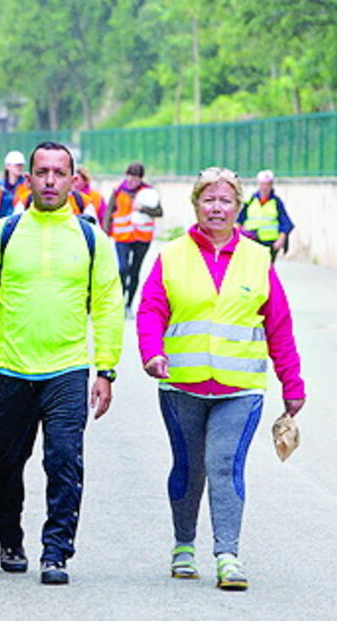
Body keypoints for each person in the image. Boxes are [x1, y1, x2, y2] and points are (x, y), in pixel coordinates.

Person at [0, 142, 123, 585]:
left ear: (72, 179)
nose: (50, 180)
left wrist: (105, 368)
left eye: (59, 173)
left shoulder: (91, 239)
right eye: (42, 172)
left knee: (65, 461)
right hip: (9, 368)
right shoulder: (4, 233)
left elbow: (107, 305)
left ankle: (56, 552)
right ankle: (9, 535)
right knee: (5, 464)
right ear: (28, 177)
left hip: (67, 369)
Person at [137, 166, 306, 591]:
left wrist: (293, 385)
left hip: (240, 389)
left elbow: (278, 325)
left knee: (224, 466)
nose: (217, 207)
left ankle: (228, 554)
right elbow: (151, 310)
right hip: (182, 386)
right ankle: (183, 546)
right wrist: (152, 353)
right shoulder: (172, 255)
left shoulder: (257, 257)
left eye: (226, 200)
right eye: (209, 199)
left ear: (238, 207)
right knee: (190, 468)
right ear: (195, 204)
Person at [103, 162, 163, 316]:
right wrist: (105, 232)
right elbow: (109, 212)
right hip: (122, 236)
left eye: (135, 177)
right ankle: (120, 300)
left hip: (142, 237)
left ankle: (129, 304)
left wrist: (143, 209)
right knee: (123, 269)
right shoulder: (118, 191)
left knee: (135, 270)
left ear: (141, 178)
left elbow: (159, 212)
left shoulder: (148, 192)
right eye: (130, 176)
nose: (132, 180)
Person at [237, 169, 295, 262]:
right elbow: (239, 220)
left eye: (268, 184)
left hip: (269, 243)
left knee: (266, 271)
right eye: (263, 184)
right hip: (251, 241)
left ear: (272, 185)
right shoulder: (251, 200)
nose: (265, 187)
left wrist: (280, 241)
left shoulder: (276, 202)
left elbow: (286, 223)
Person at [0, 150, 28, 220]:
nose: (19, 168)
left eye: (21, 165)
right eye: (16, 165)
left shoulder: (27, 186)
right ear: (7, 166)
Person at [74, 165, 108, 230]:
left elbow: (103, 217)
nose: (73, 182)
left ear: (85, 180)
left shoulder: (96, 196)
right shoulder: (68, 196)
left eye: (77, 179)